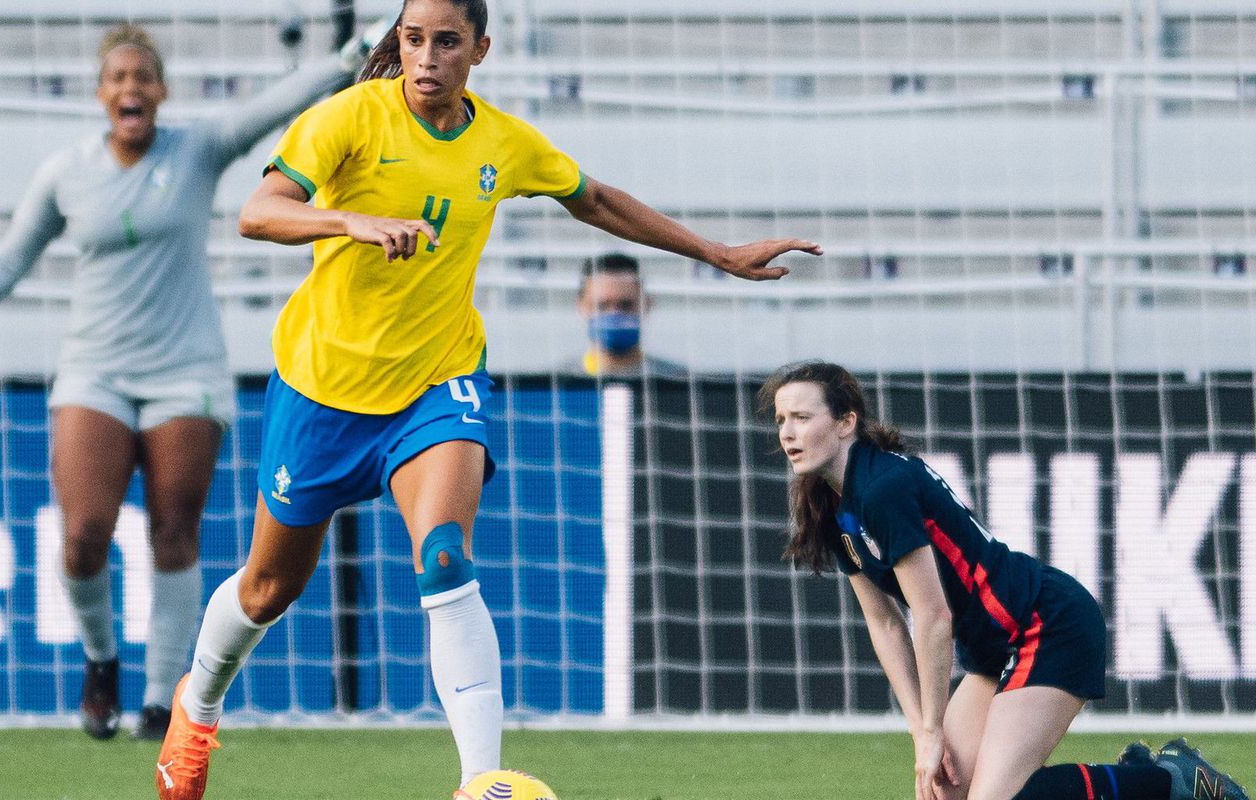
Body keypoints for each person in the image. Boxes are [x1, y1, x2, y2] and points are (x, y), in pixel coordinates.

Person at [150, 1, 822, 797]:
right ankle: (195, 709)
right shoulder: (349, 119)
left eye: (445, 42)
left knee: (444, 557)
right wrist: (351, 222)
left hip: (437, 379)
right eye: (413, 40)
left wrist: (715, 251)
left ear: (480, 50)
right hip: (322, 390)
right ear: (396, 44)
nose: (427, 57)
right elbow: (259, 213)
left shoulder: (502, 142)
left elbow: (595, 199)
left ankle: (480, 782)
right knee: (270, 587)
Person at [0, 23, 374, 741]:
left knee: (175, 531)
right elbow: (9, 260)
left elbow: (271, 106)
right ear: (101, 93)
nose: (131, 89)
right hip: (94, 370)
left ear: (161, 92)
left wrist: (350, 57)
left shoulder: (196, 150)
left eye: (144, 77)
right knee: (83, 536)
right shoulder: (66, 172)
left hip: (186, 370)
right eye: (118, 78)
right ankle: (101, 659)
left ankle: (165, 700)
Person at [759, 360, 1250, 800]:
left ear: (846, 423)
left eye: (802, 417)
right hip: (997, 649)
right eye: (781, 420)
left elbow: (933, 617)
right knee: (945, 792)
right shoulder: (831, 506)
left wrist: (934, 729)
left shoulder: (883, 487)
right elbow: (885, 624)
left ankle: (1168, 780)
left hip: (1047, 623)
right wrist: (921, 731)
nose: (788, 432)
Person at [570, 252, 688, 379]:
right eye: (602, 306)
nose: (614, 314)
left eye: (625, 305)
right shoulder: (558, 386)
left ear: (647, 304)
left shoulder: (678, 381)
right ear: (581, 305)